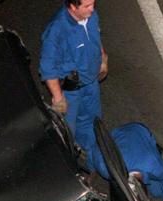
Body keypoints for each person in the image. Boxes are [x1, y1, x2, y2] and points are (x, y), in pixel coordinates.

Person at [40, 0, 108, 172]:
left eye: (93, 3)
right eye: (87, 6)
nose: (92, 9)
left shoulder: (91, 16)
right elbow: (48, 69)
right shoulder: (57, 31)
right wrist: (58, 98)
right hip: (71, 92)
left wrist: (102, 58)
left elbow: (95, 38)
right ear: (72, 7)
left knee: (92, 121)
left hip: (91, 84)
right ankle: (69, 167)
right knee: (67, 131)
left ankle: (91, 155)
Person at [92, 122, 163, 201]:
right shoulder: (104, 168)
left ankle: (153, 147)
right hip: (119, 134)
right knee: (156, 191)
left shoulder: (155, 166)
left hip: (138, 130)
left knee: (157, 192)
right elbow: (96, 149)